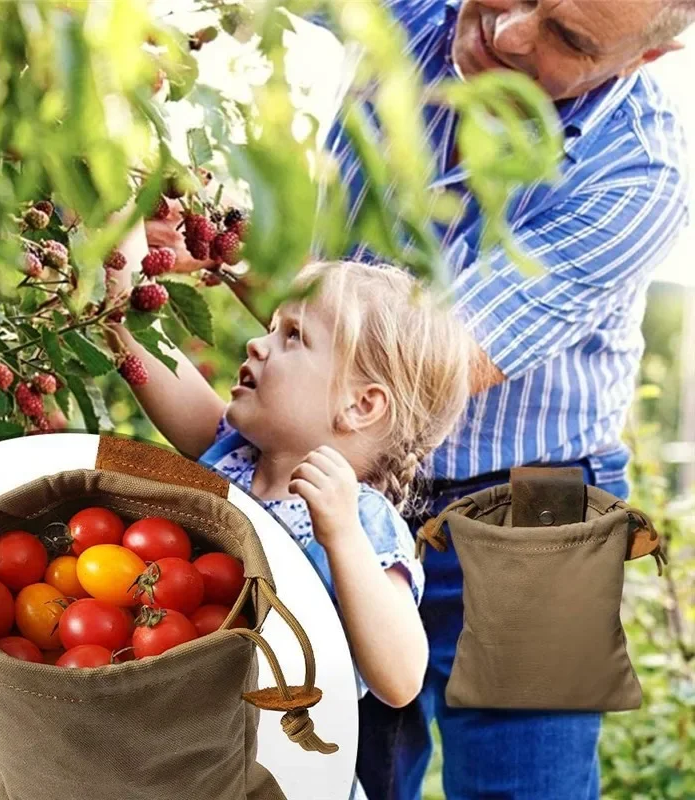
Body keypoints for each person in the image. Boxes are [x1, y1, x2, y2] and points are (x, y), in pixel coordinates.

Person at [140, 2, 691, 797]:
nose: (508, 33)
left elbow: (416, 373)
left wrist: (216, 247)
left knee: (524, 776)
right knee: (339, 752)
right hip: (344, 461)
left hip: (535, 494)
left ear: (644, 58)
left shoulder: (638, 170)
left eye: (569, 38)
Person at [106, 258, 475, 790]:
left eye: (293, 336)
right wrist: (126, 228)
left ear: (361, 405)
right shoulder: (231, 455)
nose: (258, 344)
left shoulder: (360, 518)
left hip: (287, 777)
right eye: (269, 327)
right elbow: (134, 339)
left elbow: (400, 678)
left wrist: (342, 536)